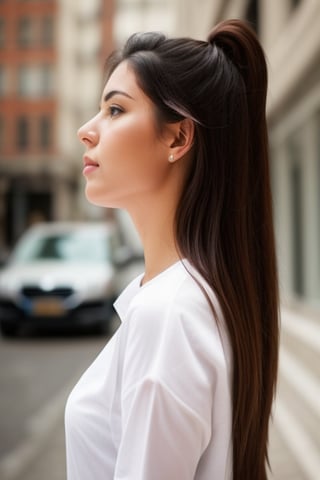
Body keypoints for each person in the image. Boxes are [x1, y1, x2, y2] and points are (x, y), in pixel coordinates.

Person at [65, 19, 279, 480]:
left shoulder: (169, 315)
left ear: (178, 138)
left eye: (115, 110)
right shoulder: (190, 297)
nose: (87, 130)